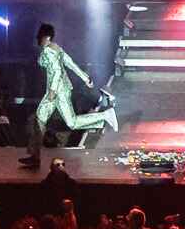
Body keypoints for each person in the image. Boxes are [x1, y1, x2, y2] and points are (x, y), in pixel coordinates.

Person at [20, 23, 119, 165]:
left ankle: (105, 116)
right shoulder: (56, 48)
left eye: (40, 37)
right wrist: (85, 78)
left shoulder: (49, 50)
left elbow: (58, 72)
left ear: (47, 37)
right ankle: (35, 156)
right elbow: (70, 63)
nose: (38, 39)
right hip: (57, 90)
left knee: (71, 122)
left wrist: (53, 91)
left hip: (57, 92)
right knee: (40, 119)